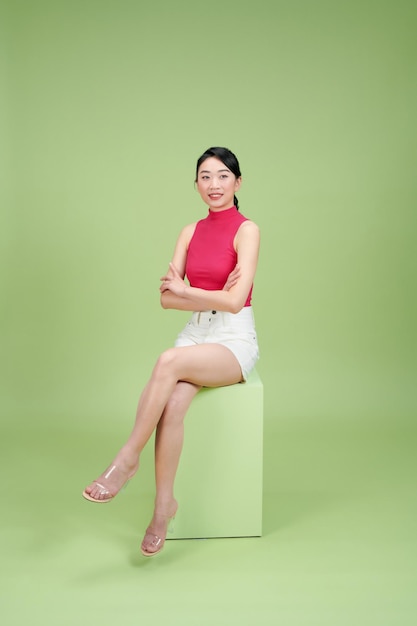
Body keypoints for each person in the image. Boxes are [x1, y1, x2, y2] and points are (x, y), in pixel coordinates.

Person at [82, 146, 260, 557]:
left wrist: (187, 291)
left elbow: (235, 303)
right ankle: (164, 507)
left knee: (166, 360)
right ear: (196, 184)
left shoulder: (247, 229)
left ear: (237, 182)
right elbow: (166, 300)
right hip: (194, 335)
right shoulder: (189, 231)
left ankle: (127, 459)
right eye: (205, 176)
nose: (213, 185)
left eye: (222, 176)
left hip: (233, 339)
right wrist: (205, 294)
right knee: (174, 404)